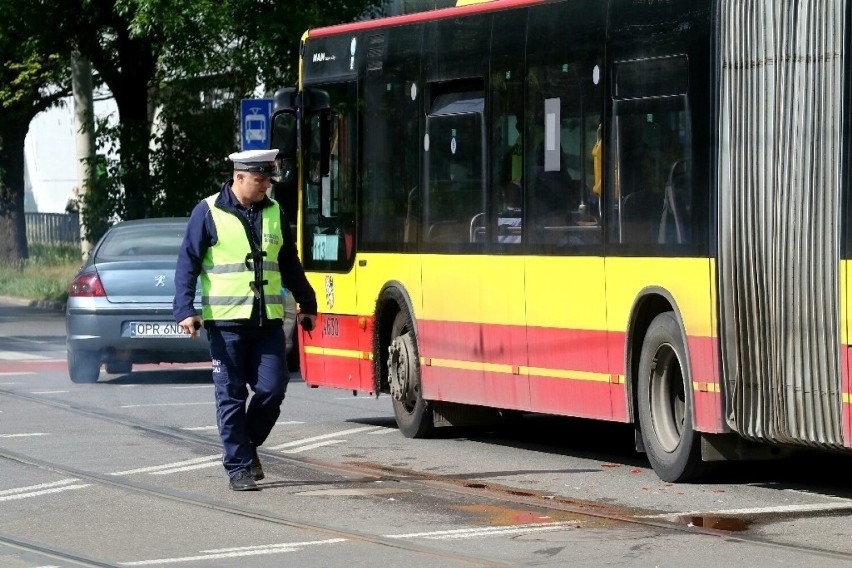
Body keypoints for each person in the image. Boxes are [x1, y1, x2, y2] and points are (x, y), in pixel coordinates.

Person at [173, 148, 318, 491]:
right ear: (239, 177)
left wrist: (307, 302)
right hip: (226, 324)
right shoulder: (207, 211)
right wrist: (185, 310)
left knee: (273, 388)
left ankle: (247, 447)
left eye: (268, 179)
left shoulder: (274, 211)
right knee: (232, 396)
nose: (266, 185)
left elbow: (289, 262)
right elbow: (187, 263)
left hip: (267, 321)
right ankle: (239, 468)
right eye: (260, 179)